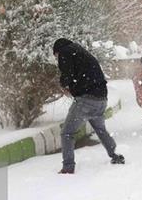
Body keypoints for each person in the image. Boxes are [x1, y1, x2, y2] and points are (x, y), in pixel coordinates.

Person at [53, 38, 125, 174]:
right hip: (101, 99)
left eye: (56, 56)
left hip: (86, 100)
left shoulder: (65, 52)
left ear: (57, 51)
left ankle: (68, 167)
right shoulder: (81, 52)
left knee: (67, 133)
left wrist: (64, 84)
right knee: (100, 129)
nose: (57, 58)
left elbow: (67, 74)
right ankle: (115, 155)